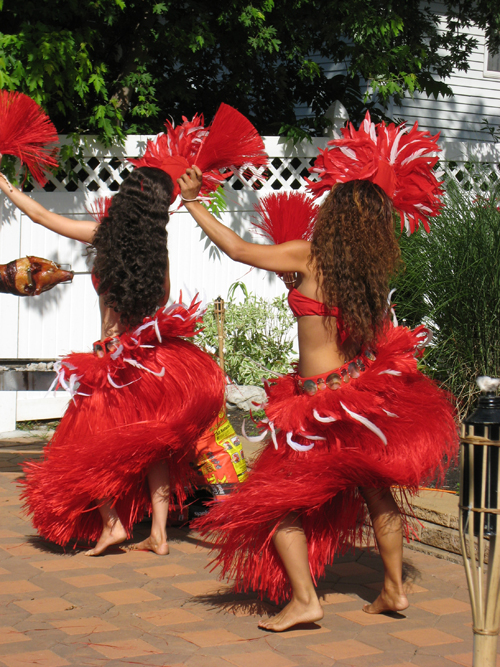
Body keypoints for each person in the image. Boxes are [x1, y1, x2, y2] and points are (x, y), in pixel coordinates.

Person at [176, 113, 458, 631]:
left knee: (273, 503)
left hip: (315, 409)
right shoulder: (366, 274)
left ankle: (306, 600)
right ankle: (393, 589)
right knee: (377, 493)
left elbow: (237, 248)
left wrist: (193, 201)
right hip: (357, 396)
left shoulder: (309, 254)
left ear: (335, 217)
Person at [0, 161, 226, 556]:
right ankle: (157, 534)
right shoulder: (159, 251)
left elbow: (41, 215)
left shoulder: (103, 237)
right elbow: (162, 301)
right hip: (151, 360)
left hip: (112, 361)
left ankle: (113, 524)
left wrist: (7, 188)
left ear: (127, 199)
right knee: (153, 445)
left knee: (80, 446)